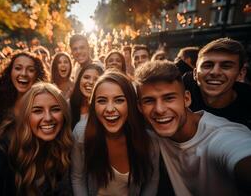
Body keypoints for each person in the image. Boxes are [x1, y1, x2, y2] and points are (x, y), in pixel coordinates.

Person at [135, 60, 251, 195]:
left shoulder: (221, 135)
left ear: (186, 99)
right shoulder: (150, 132)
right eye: (149, 101)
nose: (159, 109)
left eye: (169, 98)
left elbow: (238, 150)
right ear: (139, 107)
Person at [0, 82, 73, 195]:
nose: (48, 118)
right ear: (26, 117)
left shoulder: (58, 150)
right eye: (37, 111)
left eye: (55, 109)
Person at [71, 71, 159, 196]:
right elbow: (77, 178)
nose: (110, 109)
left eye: (119, 100)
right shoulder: (81, 134)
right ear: (93, 105)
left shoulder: (150, 141)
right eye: (102, 101)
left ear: (131, 104)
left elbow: (152, 181)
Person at [183, 38, 251, 128]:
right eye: (207, 65)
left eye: (226, 66)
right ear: (195, 73)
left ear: (241, 74)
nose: (215, 72)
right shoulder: (183, 87)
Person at [0, 51, 49, 120]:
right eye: (18, 68)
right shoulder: (0, 102)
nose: (24, 73)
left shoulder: (45, 103)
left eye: (30, 70)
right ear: (10, 71)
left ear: (37, 75)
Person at [70, 64, 103, 130]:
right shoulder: (69, 105)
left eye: (96, 79)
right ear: (79, 79)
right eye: (86, 77)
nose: (90, 82)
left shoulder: (103, 108)